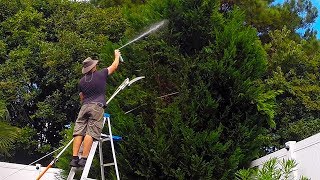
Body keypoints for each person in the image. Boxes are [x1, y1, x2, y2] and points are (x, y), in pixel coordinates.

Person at [70, 50, 121, 167]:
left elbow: (81, 97)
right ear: (93, 67)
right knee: (91, 132)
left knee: (78, 131)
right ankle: (83, 159)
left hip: (84, 107)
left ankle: (74, 158)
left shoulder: (81, 81)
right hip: (96, 107)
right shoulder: (101, 74)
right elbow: (114, 66)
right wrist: (117, 56)